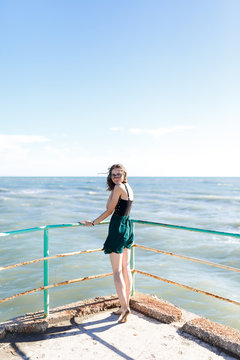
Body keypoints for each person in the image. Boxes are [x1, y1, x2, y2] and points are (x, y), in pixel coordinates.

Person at [81, 164, 134, 323]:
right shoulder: (128, 187)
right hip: (128, 227)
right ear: (110, 177)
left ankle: (125, 307)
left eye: (119, 174)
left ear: (124, 174)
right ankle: (124, 305)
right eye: (113, 175)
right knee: (126, 268)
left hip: (117, 227)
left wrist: (93, 222)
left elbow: (109, 210)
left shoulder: (118, 188)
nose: (116, 177)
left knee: (117, 271)